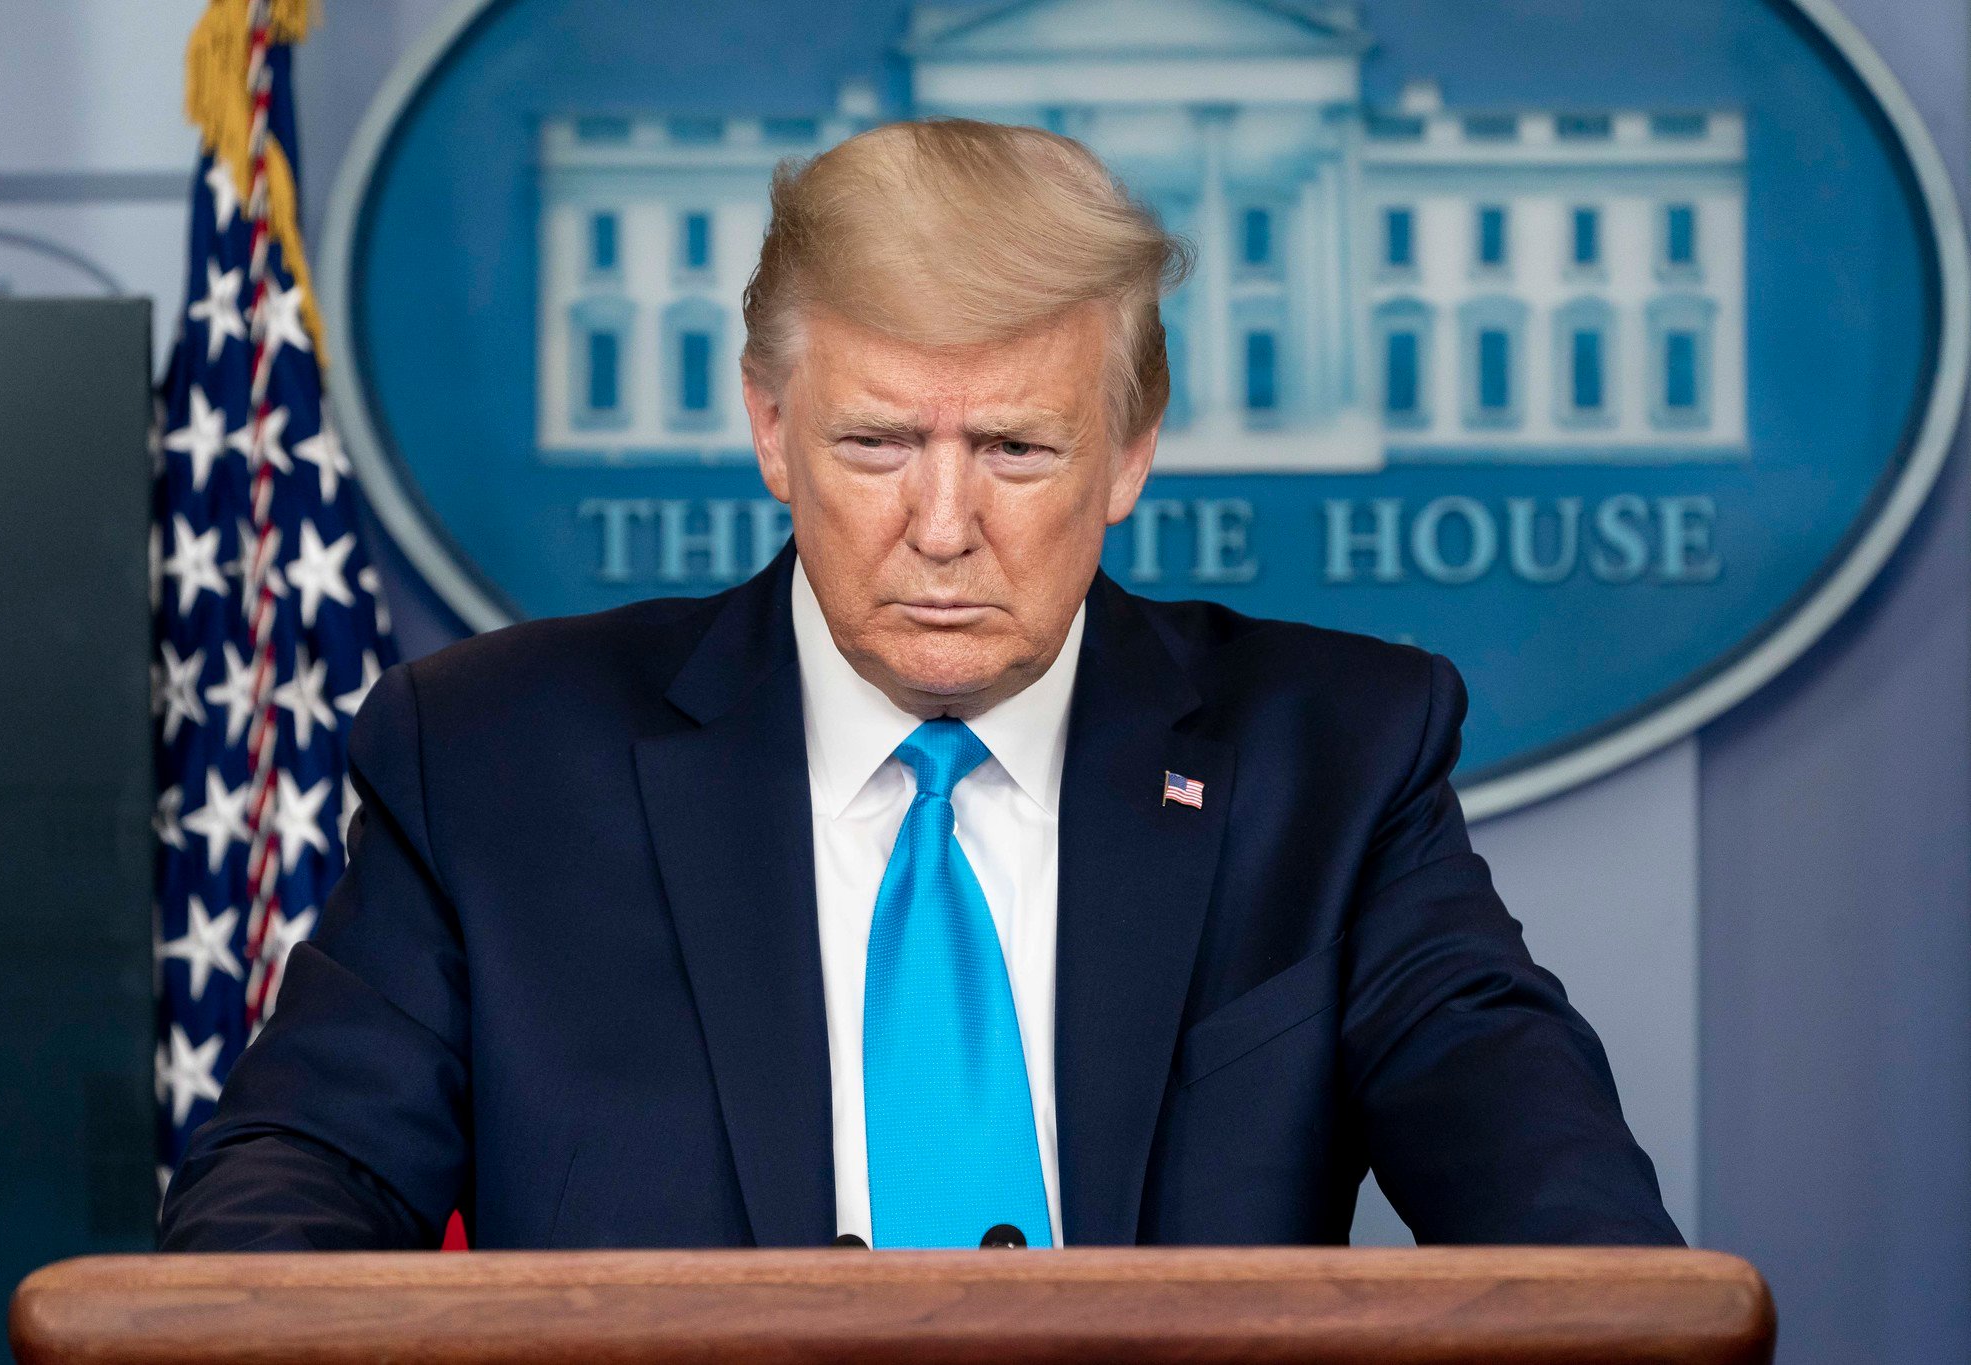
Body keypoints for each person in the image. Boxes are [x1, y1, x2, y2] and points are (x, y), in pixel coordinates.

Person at [158, 118, 1681, 1252]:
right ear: (769, 428)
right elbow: (293, 1189)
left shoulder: (1332, 762)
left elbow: (1556, 1202)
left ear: (1131, 449)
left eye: (1017, 449)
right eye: (878, 442)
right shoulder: (493, 761)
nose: (943, 525)